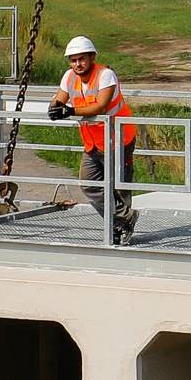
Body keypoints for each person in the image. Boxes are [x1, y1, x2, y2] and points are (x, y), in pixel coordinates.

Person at [50, 36, 138, 243]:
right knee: (89, 185)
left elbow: (101, 106)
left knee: (118, 187)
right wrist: (54, 107)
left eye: (81, 59)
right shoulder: (69, 77)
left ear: (91, 57)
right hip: (92, 142)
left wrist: (69, 111)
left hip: (118, 139)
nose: (77, 64)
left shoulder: (105, 75)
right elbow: (59, 98)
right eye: (73, 60)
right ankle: (125, 219)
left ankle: (120, 226)